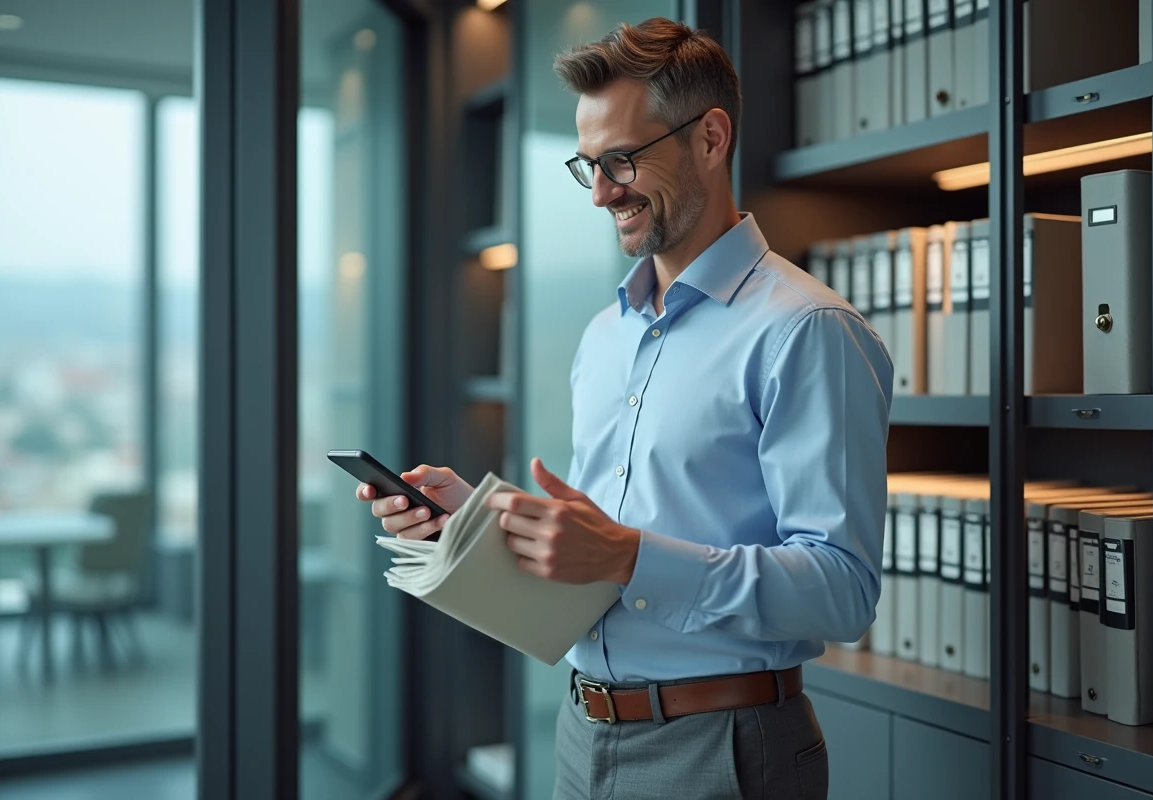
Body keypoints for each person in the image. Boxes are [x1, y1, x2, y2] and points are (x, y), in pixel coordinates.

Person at [358, 16, 893, 799]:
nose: (603, 191)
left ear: (711, 137)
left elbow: (843, 590)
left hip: (725, 749)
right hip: (582, 735)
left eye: (622, 160)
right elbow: (599, 553)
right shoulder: (604, 336)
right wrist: (478, 523)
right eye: (588, 165)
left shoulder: (806, 331)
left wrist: (630, 557)